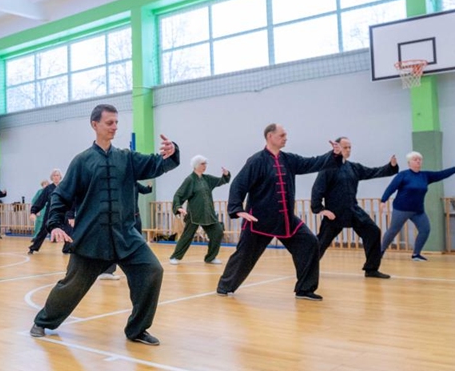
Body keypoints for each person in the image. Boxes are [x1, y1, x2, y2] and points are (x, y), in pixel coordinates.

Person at [30, 104, 180, 346]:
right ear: (94, 125)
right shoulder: (81, 161)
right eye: (109, 123)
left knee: (152, 270)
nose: (114, 127)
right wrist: (55, 224)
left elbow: (155, 164)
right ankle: (44, 321)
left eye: (117, 123)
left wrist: (171, 153)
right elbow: (61, 195)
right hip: (91, 238)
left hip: (126, 235)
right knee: (72, 285)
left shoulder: (127, 158)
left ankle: (137, 329)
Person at [216, 124, 341, 301]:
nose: (285, 138)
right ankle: (225, 286)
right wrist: (237, 210)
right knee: (244, 256)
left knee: (310, 243)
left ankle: (304, 289)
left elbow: (312, 163)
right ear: (270, 137)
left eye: (286, 135)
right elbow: (239, 184)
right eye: (282, 135)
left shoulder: (289, 159)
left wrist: (333, 155)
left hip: (286, 220)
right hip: (258, 220)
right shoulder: (256, 161)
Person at [311, 137, 397, 278]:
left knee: (373, 231)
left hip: (353, 210)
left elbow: (372, 172)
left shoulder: (353, 167)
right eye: (345, 147)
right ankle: (307, 270)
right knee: (321, 243)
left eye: (350, 147)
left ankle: (371, 269)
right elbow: (317, 190)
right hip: (334, 213)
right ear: (337, 148)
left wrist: (391, 166)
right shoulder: (327, 168)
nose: (348, 150)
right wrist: (321, 209)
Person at [379, 152, 455, 261]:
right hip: (401, 209)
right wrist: (383, 200)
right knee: (393, 230)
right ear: (409, 162)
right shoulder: (403, 175)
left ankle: (416, 254)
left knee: (425, 229)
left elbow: (442, 174)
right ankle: (380, 251)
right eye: (415, 159)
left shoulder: (425, 176)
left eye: (420, 159)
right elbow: (391, 188)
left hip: (418, 210)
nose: (418, 161)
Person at [169, 156, 231, 266]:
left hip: (208, 214)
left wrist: (226, 174)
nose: (205, 166)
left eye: (205, 164)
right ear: (196, 165)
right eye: (203, 164)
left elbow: (221, 181)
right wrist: (178, 207)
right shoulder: (190, 180)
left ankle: (210, 257)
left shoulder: (207, 179)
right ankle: (175, 257)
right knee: (187, 237)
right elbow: (178, 194)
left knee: (217, 231)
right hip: (194, 215)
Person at [99, 181, 152, 280]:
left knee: (138, 243)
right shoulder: (119, 183)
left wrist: (149, 186)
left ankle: (138, 268)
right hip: (121, 219)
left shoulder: (135, 183)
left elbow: (145, 191)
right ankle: (107, 271)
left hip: (135, 217)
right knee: (115, 243)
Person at [28, 169, 62, 255]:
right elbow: (41, 201)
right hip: (50, 212)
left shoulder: (64, 186)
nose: (56, 177)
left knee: (68, 229)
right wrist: (33, 211)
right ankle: (34, 247)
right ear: (52, 177)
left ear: (60, 177)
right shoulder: (48, 188)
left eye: (57, 175)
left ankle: (68, 248)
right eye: (54, 175)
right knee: (43, 230)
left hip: (62, 212)